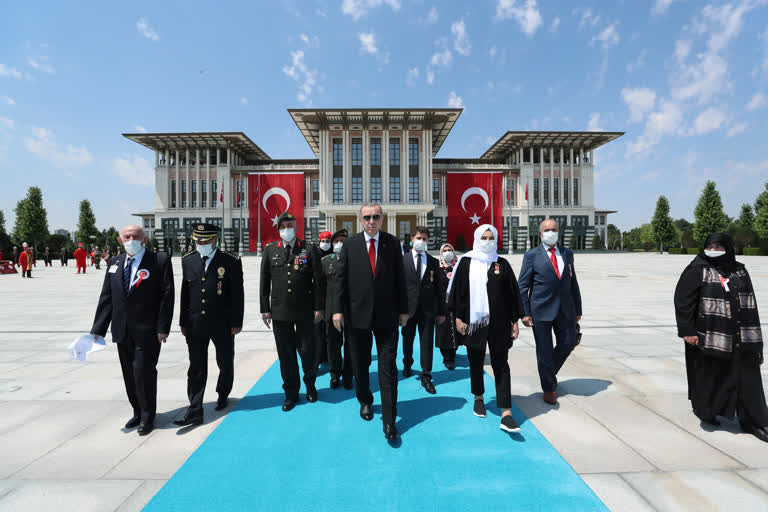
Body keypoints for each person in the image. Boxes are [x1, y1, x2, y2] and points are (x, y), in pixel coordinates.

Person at [674, 233, 767, 442]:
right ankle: (706, 410)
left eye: (719, 246)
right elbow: (683, 301)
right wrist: (687, 331)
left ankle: (753, 420)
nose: (714, 250)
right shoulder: (697, 269)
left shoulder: (739, 270)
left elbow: (750, 299)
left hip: (740, 335)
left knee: (747, 377)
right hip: (709, 335)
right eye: (710, 246)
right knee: (711, 375)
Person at [333, 203, 408, 441]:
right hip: (357, 317)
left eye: (376, 217)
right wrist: (337, 311)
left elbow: (400, 278)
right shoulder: (350, 244)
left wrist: (404, 310)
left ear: (382, 219)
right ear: (360, 220)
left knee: (388, 368)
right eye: (367, 217)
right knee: (360, 364)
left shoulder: (392, 243)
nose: (371, 221)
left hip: (387, 317)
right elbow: (340, 280)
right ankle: (365, 399)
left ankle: (389, 420)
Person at [90, 225, 175, 435]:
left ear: (144, 239)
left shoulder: (159, 261)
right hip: (122, 330)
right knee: (129, 374)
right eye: (127, 237)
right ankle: (137, 411)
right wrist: (98, 328)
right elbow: (107, 297)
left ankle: (148, 416)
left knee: (143, 372)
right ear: (120, 240)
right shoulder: (114, 263)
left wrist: (163, 327)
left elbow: (167, 296)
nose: (131, 240)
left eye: (135, 236)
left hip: (148, 331)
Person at [447, 224, 523, 433]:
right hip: (474, 322)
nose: (488, 241)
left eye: (491, 237)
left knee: (501, 365)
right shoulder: (466, 263)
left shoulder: (502, 264)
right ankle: (478, 396)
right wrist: (458, 318)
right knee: (476, 361)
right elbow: (457, 292)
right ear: (477, 239)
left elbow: (512, 293)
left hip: (499, 322)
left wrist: (515, 320)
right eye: (484, 237)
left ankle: (506, 412)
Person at [174, 224, 244, 427]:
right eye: (197, 241)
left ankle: (223, 393)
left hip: (222, 323)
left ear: (214, 240)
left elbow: (237, 295)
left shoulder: (230, 261)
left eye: (205, 241)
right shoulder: (188, 261)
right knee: (196, 366)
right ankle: (195, 408)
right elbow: (185, 294)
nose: (201, 244)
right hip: (195, 323)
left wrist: (236, 322)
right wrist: (182, 321)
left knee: (225, 361)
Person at [260, 211, 323, 412]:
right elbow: (264, 282)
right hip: (280, 312)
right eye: (283, 226)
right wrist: (265, 309)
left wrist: (318, 307)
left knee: (307, 351)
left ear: (296, 227)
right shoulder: (271, 250)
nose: (286, 229)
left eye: (290, 225)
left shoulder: (308, 248)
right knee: (286, 355)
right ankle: (291, 393)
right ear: (278, 229)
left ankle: (310, 385)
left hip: (304, 310)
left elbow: (319, 281)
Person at [518, 219, 582, 405]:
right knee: (544, 351)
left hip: (566, 309)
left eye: (553, 229)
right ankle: (548, 387)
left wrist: (578, 309)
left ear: (558, 231)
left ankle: (547, 372)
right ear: (540, 233)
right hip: (540, 310)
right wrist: (524, 312)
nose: (550, 233)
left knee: (569, 343)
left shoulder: (567, 253)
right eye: (547, 230)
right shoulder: (531, 255)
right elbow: (523, 286)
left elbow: (573, 283)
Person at [401, 226, 446, 394]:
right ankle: (407, 363)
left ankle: (426, 375)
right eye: (418, 238)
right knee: (407, 339)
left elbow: (440, 290)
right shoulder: (402, 260)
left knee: (426, 343)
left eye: (424, 239)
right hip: (407, 310)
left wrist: (441, 312)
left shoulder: (433, 262)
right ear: (412, 239)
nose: (421, 241)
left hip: (428, 311)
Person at [318, 228, 354, 390]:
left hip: (352, 311)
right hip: (331, 310)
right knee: (333, 344)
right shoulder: (325, 262)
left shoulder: (356, 260)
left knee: (351, 345)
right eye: (336, 241)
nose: (340, 244)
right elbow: (320, 287)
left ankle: (349, 375)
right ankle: (335, 374)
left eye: (343, 241)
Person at [436, 243, 459, 370]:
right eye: (445, 250)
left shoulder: (458, 267)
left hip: (456, 305)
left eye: (450, 249)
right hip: (442, 305)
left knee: (454, 332)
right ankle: (446, 356)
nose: (448, 252)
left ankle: (452, 356)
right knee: (443, 332)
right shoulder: (438, 267)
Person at [313, 230, 334, 370]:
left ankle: (329, 356)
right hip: (317, 298)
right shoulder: (314, 255)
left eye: (327, 241)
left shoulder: (335, 256)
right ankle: (317, 358)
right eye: (323, 241)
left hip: (331, 298)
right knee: (316, 332)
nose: (325, 244)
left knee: (330, 331)